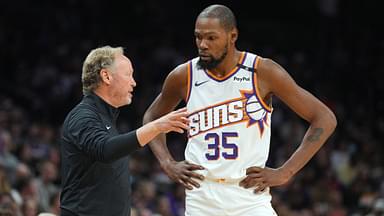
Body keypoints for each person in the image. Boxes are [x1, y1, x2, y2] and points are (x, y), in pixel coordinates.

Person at [143, 4, 337, 215]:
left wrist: (286, 172)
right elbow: (152, 117)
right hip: (202, 196)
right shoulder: (183, 76)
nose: (203, 45)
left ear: (232, 35)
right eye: (198, 37)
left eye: (211, 38)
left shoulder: (262, 71)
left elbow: (324, 118)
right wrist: (167, 163)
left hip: (249, 196)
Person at [60, 46, 189, 216]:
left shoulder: (106, 119)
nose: (134, 82)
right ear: (106, 76)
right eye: (128, 74)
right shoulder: (82, 115)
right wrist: (156, 126)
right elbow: (106, 150)